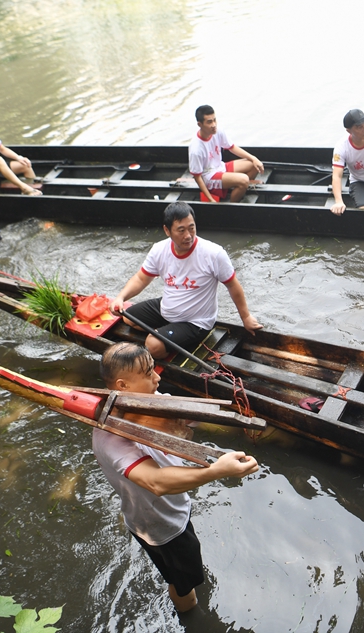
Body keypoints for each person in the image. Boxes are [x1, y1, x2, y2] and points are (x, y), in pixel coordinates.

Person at [92, 342, 259, 612]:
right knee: (185, 584)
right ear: (122, 385)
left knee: (179, 574)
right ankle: (190, 615)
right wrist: (218, 470)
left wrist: (232, 414)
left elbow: (185, 416)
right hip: (161, 527)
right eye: (148, 374)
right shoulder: (109, 438)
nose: (158, 377)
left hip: (166, 512)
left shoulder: (147, 402)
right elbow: (155, 482)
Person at [108, 202, 263, 360]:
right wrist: (120, 298)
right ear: (167, 230)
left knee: (153, 345)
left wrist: (246, 318)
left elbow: (232, 285)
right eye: (181, 230)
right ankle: (168, 333)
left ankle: (166, 343)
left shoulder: (213, 253)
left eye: (191, 228)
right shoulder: (159, 250)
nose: (188, 235)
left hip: (196, 321)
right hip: (168, 308)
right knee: (128, 317)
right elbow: (141, 278)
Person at [188, 105, 264, 203]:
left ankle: (239, 188)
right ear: (200, 124)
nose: (214, 124)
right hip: (209, 176)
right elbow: (197, 176)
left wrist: (254, 158)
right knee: (244, 179)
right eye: (209, 122)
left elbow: (231, 147)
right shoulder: (196, 148)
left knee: (253, 164)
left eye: (215, 120)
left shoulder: (217, 130)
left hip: (220, 167)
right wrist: (210, 199)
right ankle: (232, 204)